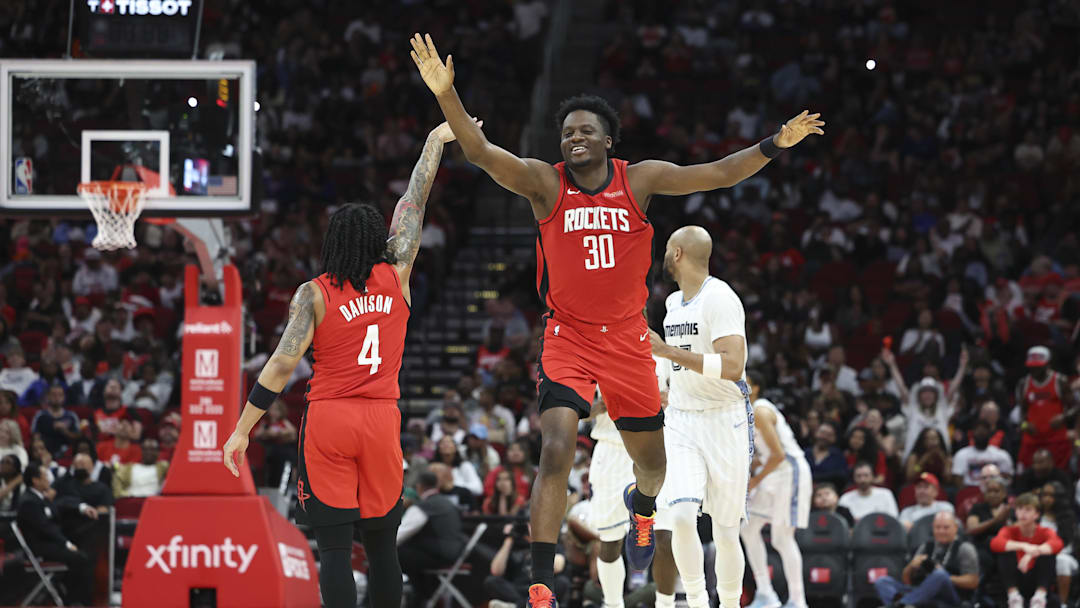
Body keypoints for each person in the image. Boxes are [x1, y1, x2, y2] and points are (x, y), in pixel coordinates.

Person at [411, 32, 824, 608]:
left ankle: (645, 508)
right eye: (567, 132)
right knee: (555, 449)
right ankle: (539, 583)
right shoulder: (546, 183)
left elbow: (719, 173)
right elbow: (480, 152)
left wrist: (776, 143)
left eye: (586, 130)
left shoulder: (642, 179)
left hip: (630, 344)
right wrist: (446, 95)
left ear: (608, 138)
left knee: (650, 470)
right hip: (568, 338)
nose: (574, 137)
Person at [222, 120, 464, 608]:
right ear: (379, 238)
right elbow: (412, 205)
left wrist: (243, 429)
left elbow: (278, 368)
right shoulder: (399, 272)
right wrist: (433, 142)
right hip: (380, 419)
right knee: (381, 549)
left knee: (334, 551)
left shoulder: (313, 293)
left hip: (330, 419)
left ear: (331, 242)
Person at [646, 226, 753, 608]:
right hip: (683, 420)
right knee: (680, 515)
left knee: (725, 530)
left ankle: (726, 602)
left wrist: (670, 354)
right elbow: (669, 356)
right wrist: (661, 381)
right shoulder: (674, 303)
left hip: (725, 420)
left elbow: (733, 366)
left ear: (677, 253)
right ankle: (693, 600)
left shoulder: (720, 298)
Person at [742, 372, 812, 608]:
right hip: (772, 474)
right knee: (748, 529)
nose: (739, 386)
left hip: (789, 472)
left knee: (782, 538)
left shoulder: (761, 411)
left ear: (757, 388)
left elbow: (779, 455)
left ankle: (797, 600)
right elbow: (762, 456)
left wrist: (754, 481)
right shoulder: (741, 413)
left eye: (746, 383)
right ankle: (766, 594)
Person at [16, 460, 93, 606]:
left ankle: (71, 599)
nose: (48, 479)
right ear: (35, 480)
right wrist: (67, 544)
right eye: (45, 476)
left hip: (48, 544)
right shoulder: (29, 502)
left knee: (82, 553)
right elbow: (46, 528)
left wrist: (80, 508)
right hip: (39, 549)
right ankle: (77, 601)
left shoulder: (40, 497)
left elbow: (57, 509)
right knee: (80, 558)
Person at [873, 511, 979, 607]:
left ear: (955, 528)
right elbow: (906, 581)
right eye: (937, 527)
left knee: (939, 575)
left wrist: (945, 578)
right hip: (920, 592)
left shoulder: (965, 548)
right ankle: (905, 604)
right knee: (882, 581)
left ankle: (901, 604)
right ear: (933, 528)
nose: (941, 531)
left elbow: (973, 582)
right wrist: (911, 566)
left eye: (946, 527)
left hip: (950, 596)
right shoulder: (926, 546)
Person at [397, 470, 468, 606]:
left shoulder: (423, 506)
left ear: (419, 487)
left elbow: (400, 535)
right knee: (410, 560)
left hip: (438, 555)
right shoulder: (448, 503)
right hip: (454, 554)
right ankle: (421, 596)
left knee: (388, 557)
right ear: (437, 485)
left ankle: (373, 603)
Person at [991, 492, 1063, 608]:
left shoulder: (1045, 531)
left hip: (1037, 579)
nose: (1022, 513)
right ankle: (1013, 596)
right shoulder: (1009, 530)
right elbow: (995, 543)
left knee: (1047, 553)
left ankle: (1040, 597)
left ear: (1037, 514)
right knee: (1004, 552)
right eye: (1019, 509)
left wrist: (1032, 553)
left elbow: (1057, 544)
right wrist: (1024, 546)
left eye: (1028, 510)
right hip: (1016, 578)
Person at [1015, 346, 1074, 469]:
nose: (1034, 369)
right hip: (1032, 439)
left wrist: (1063, 417)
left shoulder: (1060, 381)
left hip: (1056, 439)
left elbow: (1075, 407)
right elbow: (1021, 413)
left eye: (1038, 366)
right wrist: (1025, 425)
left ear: (1047, 364)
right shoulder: (1023, 384)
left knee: (1060, 473)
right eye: (1032, 366)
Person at [1038, 481, 1077, 602]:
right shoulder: (1035, 514)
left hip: (1064, 555)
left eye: (1051, 495)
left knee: (1061, 561)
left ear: (1058, 497)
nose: (1047, 499)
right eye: (1044, 495)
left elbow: (1065, 544)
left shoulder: (1067, 516)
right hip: (1038, 553)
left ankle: (1063, 603)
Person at [952, 418, 1015, 487]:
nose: (981, 433)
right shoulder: (962, 454)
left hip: (994, 490)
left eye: (984, 431)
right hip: (970, 490)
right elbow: (958, 480)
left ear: (990, 433)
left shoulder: (1002, 455)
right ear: (972, 433)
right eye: (978, 431)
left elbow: (1008, 479)